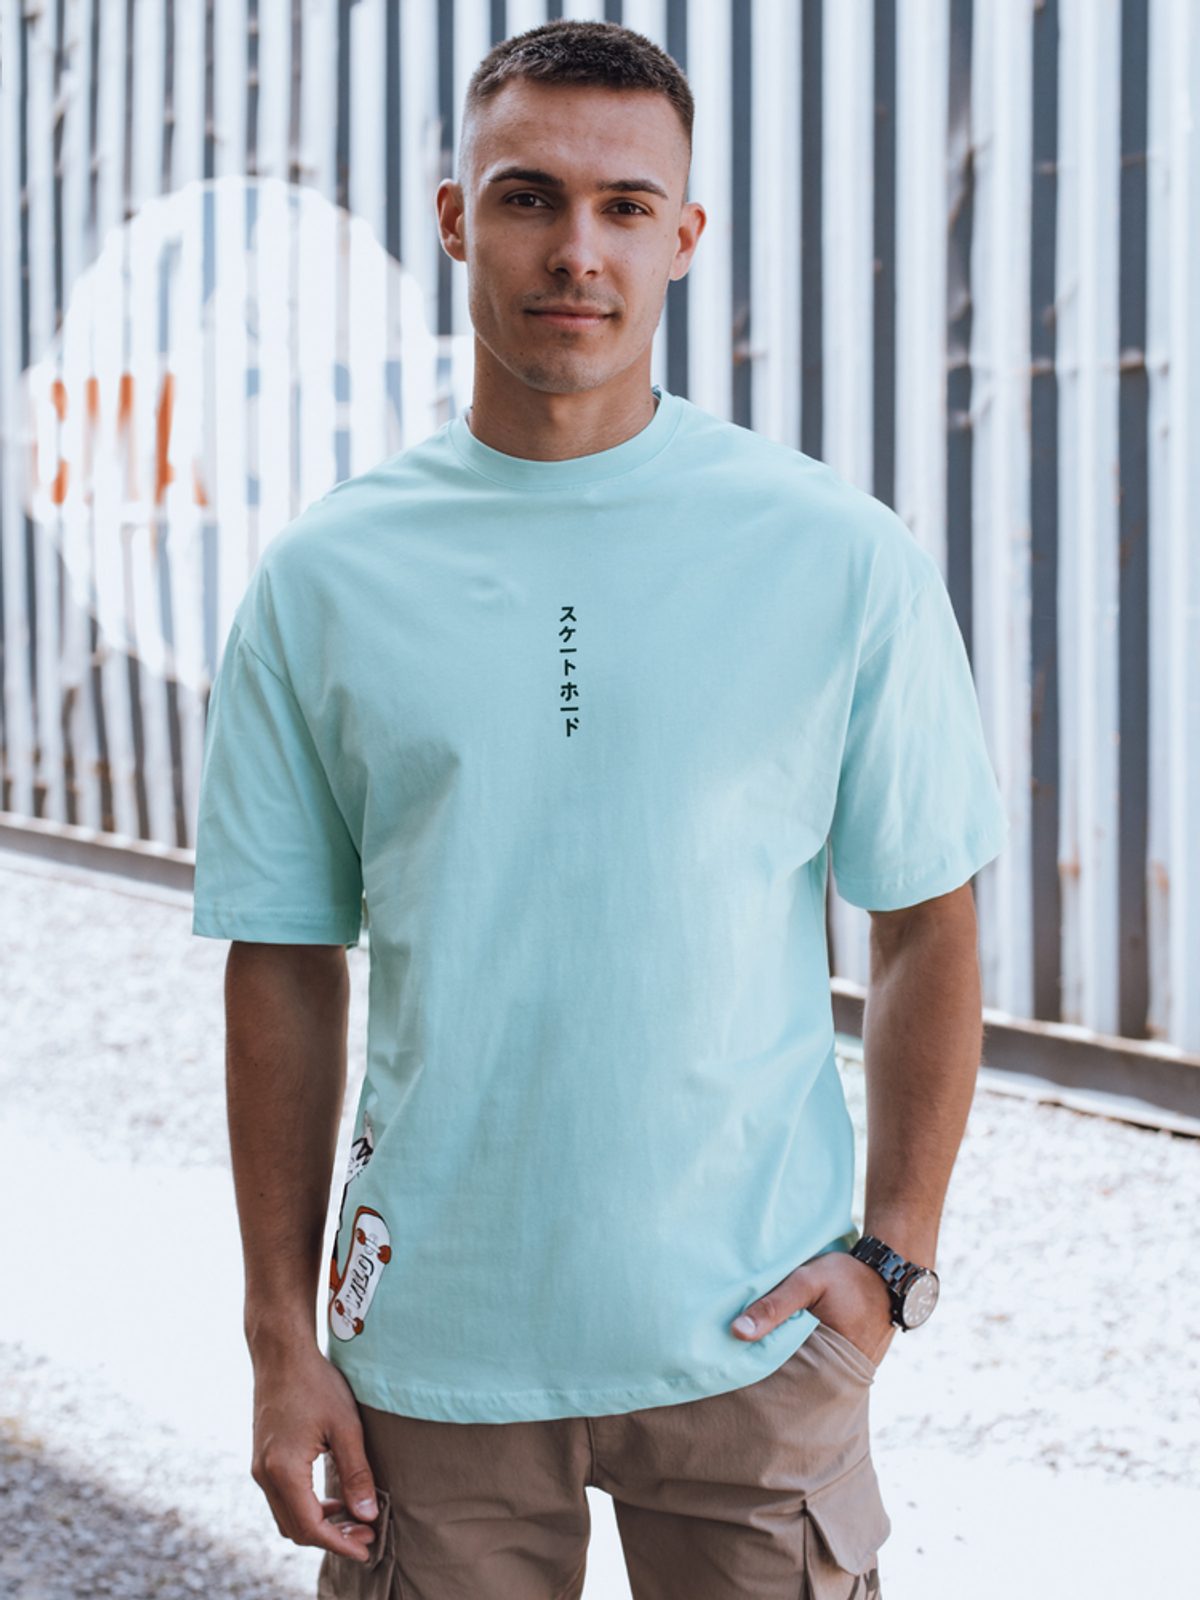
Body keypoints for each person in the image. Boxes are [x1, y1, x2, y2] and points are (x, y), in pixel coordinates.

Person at [191, 18, 1008, 1600]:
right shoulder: (327, 578)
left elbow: (928, 918)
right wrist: (279, 1340)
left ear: (684, 235)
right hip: (430, 1360)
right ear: (456, 219)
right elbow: (282, 963)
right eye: (529, 197)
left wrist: (893, 1260)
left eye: (626, 207)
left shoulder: (834, 553)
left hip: (753, 1340)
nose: (579, 250)